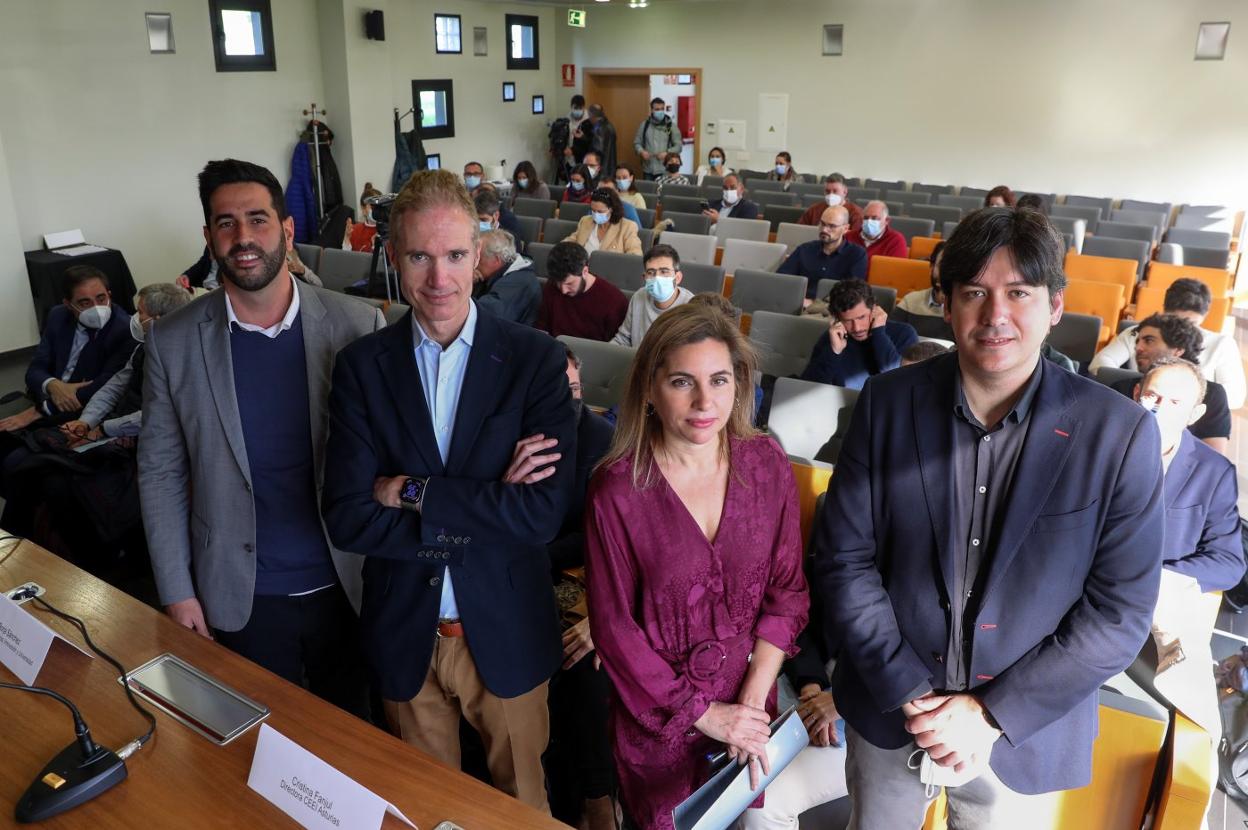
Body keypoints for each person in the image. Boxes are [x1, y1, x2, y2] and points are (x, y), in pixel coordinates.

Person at [815, 206, 1164, 828]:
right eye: (974, 292)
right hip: (893, 711)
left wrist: (986, 712)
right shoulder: (887, 404)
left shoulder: (1120, 434)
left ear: (1055, 305)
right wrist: (909, 692)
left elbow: (1119, 613)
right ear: (945, 304)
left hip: (1024, 731)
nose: (995, 315)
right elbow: (844, 558)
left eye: (1019, 293)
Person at [321, 168, 577, 811]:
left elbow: (541, 514)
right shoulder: (360, 367)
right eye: (420, 256)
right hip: (405, 631)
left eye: (456, 255)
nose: (439, 279)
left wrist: (408, 490)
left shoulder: (536, 359)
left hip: (506, 630)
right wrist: (488, 501)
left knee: (522, 808)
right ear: (393, 254)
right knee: (422, 810)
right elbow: (348, 518)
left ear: (481, 253)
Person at [139, 158, 384, 718]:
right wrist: (177, 592)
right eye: (226, 224)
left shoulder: (357, 325)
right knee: (251, 751)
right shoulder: (173, 342)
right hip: (238, 591)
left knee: (351, 745)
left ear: (288, 229)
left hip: (347, 583)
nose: (243, 237)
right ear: (208, 237)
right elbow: (160, 474)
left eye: (258, 219)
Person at [585, 303, 809, 830]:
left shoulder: (767, 462)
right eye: (683, 381)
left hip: (750, 704)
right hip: (657, 721)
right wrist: (707, 716)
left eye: (719, 380)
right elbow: (616, 631)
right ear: (649, 389)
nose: (705, 402)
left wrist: (750, 706)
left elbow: (788, 593)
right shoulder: (616, 489)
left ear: (739, 385)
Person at [1125, 357, 1243, 745]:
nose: (1158, 408)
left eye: (1174, 403)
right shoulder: (1094, 449)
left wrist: (1154, 578)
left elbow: (1228, 562)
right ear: (1136, 394)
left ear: (1195, 413)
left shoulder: (1212, 473)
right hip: (1079, 586)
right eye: (1152, 395)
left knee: (1183, 704)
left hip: (1152, 601)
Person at [540, 345, 619, 830]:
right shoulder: (512, 430)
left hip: (581, 574)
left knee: (583, 662)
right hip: (524, 574)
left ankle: (595, 798)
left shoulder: (601, 440)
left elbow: (594, 536)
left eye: (573, 390)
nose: (567, 401)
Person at [0, 265, 133, 432]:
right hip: (44, 395)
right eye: (84, 302)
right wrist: (53, 384)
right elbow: (36, 369)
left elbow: (102, 386)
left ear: (109, 295)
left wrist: (38, 411)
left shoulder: (124, 330)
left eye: (101, 298)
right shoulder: (58, 315)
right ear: (68, 304)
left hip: (79, 408)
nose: (96, 308)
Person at [1090, 277, 1245, 409]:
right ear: (1164, 311)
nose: (1182, 330)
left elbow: (1234, 397)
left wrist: (1175, 393)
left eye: (1190, 324)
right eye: (1173, 322)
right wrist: (1144, 386)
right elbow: (1099, 365)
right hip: (1137, 405)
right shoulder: (1141, 333)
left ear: (1204, 317)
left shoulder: (1221, 344)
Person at [1106, 313, 1231, 453]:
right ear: (1137, 392)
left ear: (1177, 350)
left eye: (1148, 341)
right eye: (1137, 341)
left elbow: (1212, 459)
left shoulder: (1213, 395)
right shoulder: (1121, 388)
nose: (1138, 348)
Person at [801, 280, 917, 390]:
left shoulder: (904, 333)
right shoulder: (833, 338)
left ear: (874, 309)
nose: (857, 328)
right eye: (848, 321)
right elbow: (809, 385)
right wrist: (834, 351)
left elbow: (900, 382)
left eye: (861, 317)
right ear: (837, 319)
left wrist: (879, 333)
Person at [537, 242, 630, 342]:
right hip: (555, 351)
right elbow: (541, 327)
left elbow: (614, 347)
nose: (563, 290)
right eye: (558, 283)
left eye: (569, 284)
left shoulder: (614, 301)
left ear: (585, 271)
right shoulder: (551, 286)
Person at [777, 206, 867, 300]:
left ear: (845, 228)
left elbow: (853, 293)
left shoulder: (856, 255)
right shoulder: (805, 249)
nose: (824, 230)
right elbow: (782, 279)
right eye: (822, 224)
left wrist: (814, 303)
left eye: (832, 226)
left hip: (833, 308)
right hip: (798, 302)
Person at [612, 244, 693, 347]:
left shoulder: (691, 307)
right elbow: (623, 339)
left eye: (664, 271)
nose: (657, 277)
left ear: (677, 278)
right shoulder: (638, 297)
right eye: (651, 272)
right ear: (644, 277)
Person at [473, 229, 540, 326]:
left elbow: (484, 317)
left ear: (496, 260)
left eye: (479, 259)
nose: (474, 264)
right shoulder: (490, 274)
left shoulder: (520, 282)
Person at [562, 188, 642, 256]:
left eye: (600, 212)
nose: (596, 214)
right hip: (582, 269)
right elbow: (571, 241)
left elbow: (635, 255)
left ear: (612, 209)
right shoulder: (586, 221)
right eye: (593, 211)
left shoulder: (627, 227)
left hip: (609, 272)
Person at [634, 97, 682, 181]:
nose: (660, 111)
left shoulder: (669, 126)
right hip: (648, 169)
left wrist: (667, 153)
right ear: (652, 110)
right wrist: (641, 151)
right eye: (657, 109)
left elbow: (678, 146)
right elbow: (637, 143)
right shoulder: (645, 125)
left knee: (663, 192)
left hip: (665, 169)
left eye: (662, 109)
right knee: (648, 193)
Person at [798, 173, 863, 234]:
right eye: (827, 191)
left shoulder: (856, 213)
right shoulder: (814, 209)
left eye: (835, 191)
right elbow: (799, 230)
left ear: (845, 192)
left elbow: (855, 238)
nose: (831, 194)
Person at [895, 241, 946, 317]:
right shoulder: (910, 303)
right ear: (932, 269)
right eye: (942, 266)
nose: (947, 273)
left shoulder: (968, 312)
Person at [473, 187, 525, 251]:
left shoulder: (509, 239)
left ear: (496, 215)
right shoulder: (469, 234)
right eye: (475, 219)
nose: (479, 224)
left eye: (483, 220)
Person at [585, 104, 618, 176]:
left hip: (602, 169)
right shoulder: (609, 125)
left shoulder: (599, 129)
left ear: (592, 115)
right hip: (610, 168)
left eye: (589, 115)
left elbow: (597, 151)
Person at [348, 182, 382, 252]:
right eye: (372, 207)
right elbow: (346, 259)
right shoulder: (355, 230)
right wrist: (346, 239)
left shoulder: (388, 231)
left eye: (379, 206)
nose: (377, 210)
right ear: (363, 209)